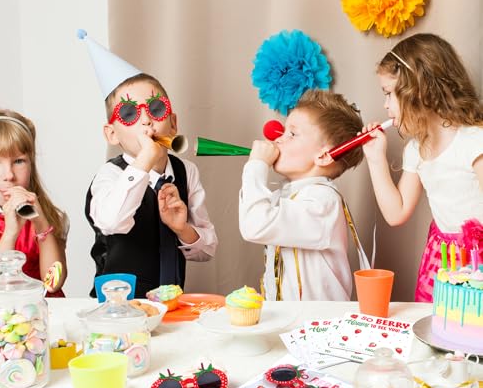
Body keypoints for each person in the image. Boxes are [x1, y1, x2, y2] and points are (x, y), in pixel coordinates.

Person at [80, 31, 217, 298]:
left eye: (155, 109)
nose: (146, 121)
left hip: (171, 305)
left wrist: (182, 228)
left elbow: (207, 250)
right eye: (129, 113)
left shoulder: (185, 172)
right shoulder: (109, 175)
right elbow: (111, 222)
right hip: (117, 307)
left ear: (173, 124)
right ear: (112, 134)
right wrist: (145, 160)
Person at [362, 33, 483, 302]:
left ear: (419, 89)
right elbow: (396, 213)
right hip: (441, 259)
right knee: (438, 322)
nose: (385, 105)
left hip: (478, 260)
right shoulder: (416, 149)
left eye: (389, 94)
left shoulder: (475, 142)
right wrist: (375, 158)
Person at [239, 89, 368, 301]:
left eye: (292, 134)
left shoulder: (323, 202)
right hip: (291, 317)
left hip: (318, 320)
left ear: (324, 155)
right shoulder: (288, 195)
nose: (278, 139)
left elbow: (255, 224)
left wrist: (256, 165)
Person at [0, 109, 67, 296]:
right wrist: (11, 232)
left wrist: (41, 224)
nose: (9, 175)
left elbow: (53, 284)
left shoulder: (51, 216)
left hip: (42, 310)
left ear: (31, 165)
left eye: (19, 161)